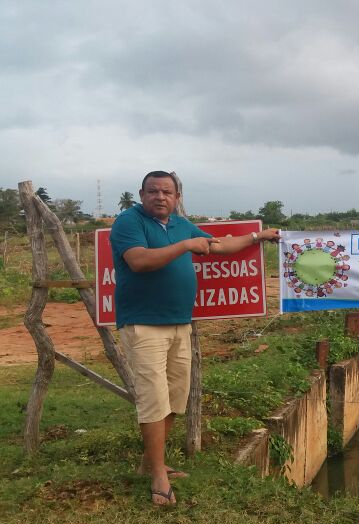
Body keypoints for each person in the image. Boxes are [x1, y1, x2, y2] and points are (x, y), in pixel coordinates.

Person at [110, 170, 280, 506]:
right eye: (154, 191)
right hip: (143, 324)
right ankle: (158, 474)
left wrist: (257, 237)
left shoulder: (180, 224)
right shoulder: (128, 222)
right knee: (153, 399)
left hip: (179, 323)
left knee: (175, 396)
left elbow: (218, 246)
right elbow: (140, 261)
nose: (161, 197)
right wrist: (186, 245)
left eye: (168, 192)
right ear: (141, 194)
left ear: (177, 197)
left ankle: (150, 462)